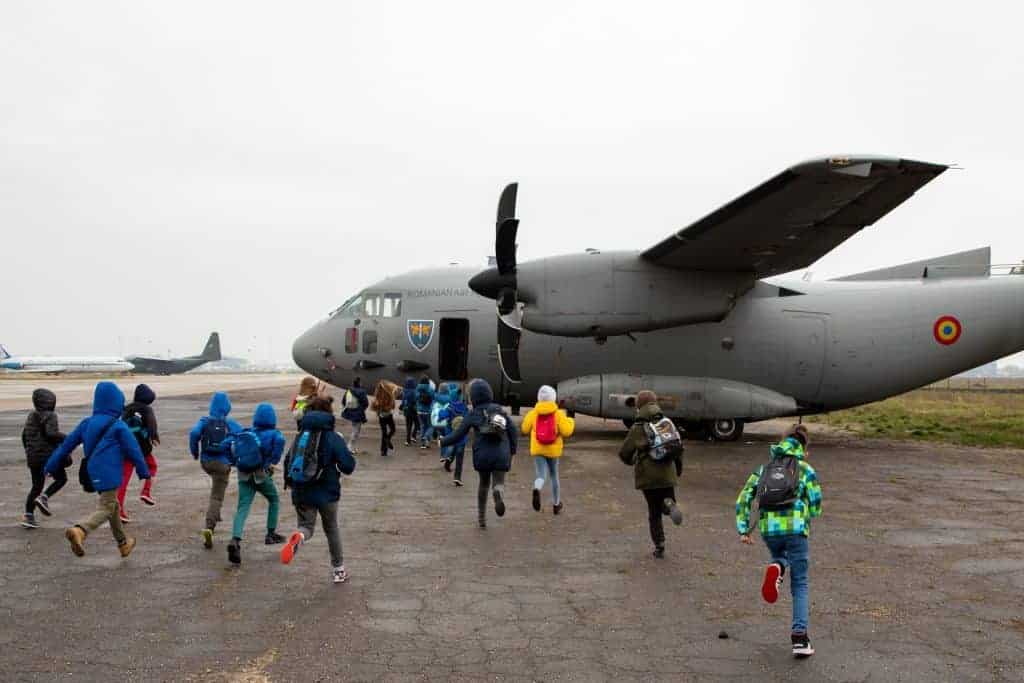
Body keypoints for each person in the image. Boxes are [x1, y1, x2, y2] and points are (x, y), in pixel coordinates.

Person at [736, 424, 822, 658]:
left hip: (768, 529)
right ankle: (800, 639)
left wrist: (744, 528)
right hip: (796, 529)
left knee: (779, 556)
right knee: (800, 583)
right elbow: (816, 505)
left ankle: (778, 565)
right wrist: (807, 514)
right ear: (804, 447)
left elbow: (744, 497)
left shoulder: (764, 468)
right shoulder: (805, 469)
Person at [45, 381, 150, 558]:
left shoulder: (86, 423)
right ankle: (80, 530)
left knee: (113, 505)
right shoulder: (118, 426)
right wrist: (144, 472)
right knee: (107, 507)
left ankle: (123, 543)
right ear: (117, 402)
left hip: (93, 472)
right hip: (110, 473)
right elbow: (134, 450)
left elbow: (65, 446)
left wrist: (51, 465)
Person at [280, 396, 356, 584]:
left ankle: (300, 537)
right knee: (331, 528)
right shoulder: (333, 437)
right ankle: (338, 571)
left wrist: (290, 483)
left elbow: (288, 461)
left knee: (306, 526)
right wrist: (336, 468)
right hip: (327, 492)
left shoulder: (300, 436)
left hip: (301, 490)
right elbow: (348, 465)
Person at [441, 379, 517, 528]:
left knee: (483, 485)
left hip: (482, 455)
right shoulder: (500, 410)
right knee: (498, 482)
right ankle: (498, 494)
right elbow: (513, 431)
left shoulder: (472, 414)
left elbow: (459, 434)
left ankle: (481, 519)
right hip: (501, 453)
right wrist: (512, 451)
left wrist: (442, 442)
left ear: (473, 397)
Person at [618, 390, 684, 558]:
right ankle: (670, 505)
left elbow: (624, 453)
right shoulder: (666, 422)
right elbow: (677, 445)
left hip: (648, 476)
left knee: (654, 513)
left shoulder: (638, 427)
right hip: (668, 473)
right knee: (666, 501)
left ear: (639, 407)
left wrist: (632, 461)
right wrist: (678, 468)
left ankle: (660, 545)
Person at [226, 403, 287, 565]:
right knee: (273, 500)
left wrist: (233, 462)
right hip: (261, 474)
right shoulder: (274, 434)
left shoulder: (247, 432)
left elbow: (228, 445)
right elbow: (279, 445)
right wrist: (272, 461)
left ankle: (235, 540)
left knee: (242, 507)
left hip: (243, 474)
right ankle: (270, 533)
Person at [189, 392, 243, 549]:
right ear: (227, 407)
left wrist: (195, 452)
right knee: (217, 497)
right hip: (222, 463)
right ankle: (209, 527)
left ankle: (215, 514)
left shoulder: (204, 421)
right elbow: (243, 435)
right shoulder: (229, 423)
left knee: (215, 485)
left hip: (206, 462)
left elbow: (194, 433)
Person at [520, 385, 575, 515]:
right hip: (553, 451)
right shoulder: (558, 414)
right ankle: (556, 505)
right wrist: (571, 421)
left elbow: (524, 429)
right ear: (553, 398)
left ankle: (537, 488)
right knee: (554, 476)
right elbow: (566, 431)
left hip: (538, 450)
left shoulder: (533, 413)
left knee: (541, 475)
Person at [21, 388, 68, 528]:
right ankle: (44, 497)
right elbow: (51, 433)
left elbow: (24, 436)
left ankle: (28, 516)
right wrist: (67, 439)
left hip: (33, 457)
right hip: (47, 456)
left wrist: (29, 450)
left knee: (36, 486)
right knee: (61, 479)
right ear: (50, 402)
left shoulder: (31, 415)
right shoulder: (51, 415)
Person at [116, 383, 160, 523]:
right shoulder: (147, 409)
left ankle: (119, 510)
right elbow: (152, 425)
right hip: (143, 449)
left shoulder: (127, 408)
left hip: (127, 449)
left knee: (124, 479)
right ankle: (146, 491)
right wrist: (154, 436)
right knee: (152, 467)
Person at [439, 384, 469, 485]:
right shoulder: (464, 407)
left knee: (453, 449)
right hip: (462, 435)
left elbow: (442, 416)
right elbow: (468, 419)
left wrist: (440, 413)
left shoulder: (449, 407)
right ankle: (457, 477)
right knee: (459, 455)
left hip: (451, 434)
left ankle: (448, 462)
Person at [341, 377, 369, 452]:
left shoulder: (348, 391)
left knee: (355, 429)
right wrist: (361, 409)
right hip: (358, 413)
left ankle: (352, 446)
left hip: (350, 412)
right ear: (359, 383)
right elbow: (366, 403)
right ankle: (349, 447)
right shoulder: (361, 392)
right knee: (356, 430)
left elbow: (343, 401)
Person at [372, 381, 397, 457]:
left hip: (381, 417)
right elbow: (393, 406)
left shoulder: (378, 396)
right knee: (392, 429)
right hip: (389, 416)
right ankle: (388, 439)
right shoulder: (389, 395)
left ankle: (383, 451)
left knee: (384, 433)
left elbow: (374, 407)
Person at [430, 382, 452, 465]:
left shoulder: (435, 397)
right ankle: (447, 455)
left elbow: (431, 408)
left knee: (442, 438)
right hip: (447, 422)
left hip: (437, 423)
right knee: (448, 439)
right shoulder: (451, 397)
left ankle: (442, 456)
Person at [415, 375, 435, 450]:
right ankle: (426, 437)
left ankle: (423, 444)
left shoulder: (417, 389)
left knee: (423, 426)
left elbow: (416, 398)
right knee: (431, 426)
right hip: (428, 411)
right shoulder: (430, 389)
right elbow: (434, 398)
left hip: (419, 411)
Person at [400, 377, 419, 446]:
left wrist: (402, 408)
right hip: (413, 411)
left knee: (408, 426)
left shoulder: (404, 391)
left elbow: (403, 402)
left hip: (407, 411)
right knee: (417, 424)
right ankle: (413, 436)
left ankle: (407, 441)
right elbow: (416, 400)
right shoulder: (414, 391)